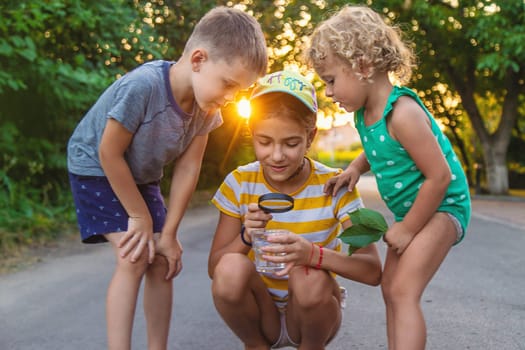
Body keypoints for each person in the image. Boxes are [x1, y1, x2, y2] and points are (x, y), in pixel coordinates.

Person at [67, 6, 267, 350]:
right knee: (135, 255)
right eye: (229, 84)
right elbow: (108, 153)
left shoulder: (207, 111)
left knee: (162, 260)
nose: (231, 97)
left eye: (239, 91)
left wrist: (170, 234)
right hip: (96, 169)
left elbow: (188, 169)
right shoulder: (143, 87)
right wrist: (139, 217)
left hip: (140, 178)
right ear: (198, 60)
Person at [306, 5, 471, 350]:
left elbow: (439, 177)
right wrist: (354, 168)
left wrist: (408, 228)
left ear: (363, 67)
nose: (330, 93)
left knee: (403, 290)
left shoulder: (404, 113)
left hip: (443, 206)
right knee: (389, 288)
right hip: (414, 212)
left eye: (332, 81)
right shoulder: (367, 116)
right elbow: (377, 150)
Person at [208, 70, 382, 349]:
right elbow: (215, 269)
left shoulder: (336, 185)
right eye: (264, 142)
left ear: (310, 136)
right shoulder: (239, 183)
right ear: (251, 134)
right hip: (261, 313)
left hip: (314, 316)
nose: (276, 156)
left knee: (307, 274)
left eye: (290, 143)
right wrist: (245, 237)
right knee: (230, 267)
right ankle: (256, 345)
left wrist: (312, 254)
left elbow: (372, 271)